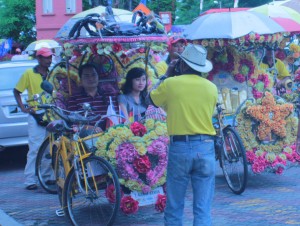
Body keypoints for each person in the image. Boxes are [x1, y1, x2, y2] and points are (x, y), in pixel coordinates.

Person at [150, 44, 218, 226]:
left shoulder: (171, 84)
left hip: (180, 147)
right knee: (203, 208)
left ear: (182, 64)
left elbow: (152, 98)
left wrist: (167, 74)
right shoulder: (212, 88)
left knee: (174, 206)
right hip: (205, 146)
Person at [13, 47, 53, 190]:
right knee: (35, 148)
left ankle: (47, 176)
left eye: (50, 57)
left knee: (49, 147)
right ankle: (30, 179)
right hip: (36, 113)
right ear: (39, 59)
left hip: (51, 114)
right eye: (46, 57)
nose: (49, 60)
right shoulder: (29, 73)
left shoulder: (53, 73)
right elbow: (17, 91)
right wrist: (24, 108)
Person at [67, 63, 115, 130]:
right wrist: (92, 128)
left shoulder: (108, 96)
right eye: (87, 76)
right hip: (85, 137)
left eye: (93, 75)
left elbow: (116, 117)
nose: (91, 78)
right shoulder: (74, 99)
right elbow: (73, 124)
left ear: (98, 77)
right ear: (81, 80)